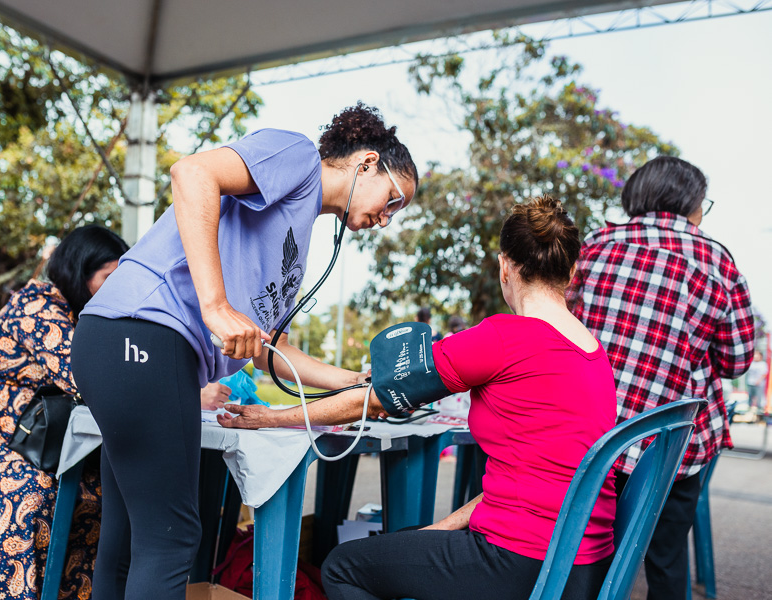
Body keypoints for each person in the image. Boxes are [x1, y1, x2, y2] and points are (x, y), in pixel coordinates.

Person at [69, 102, 418, 599]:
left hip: (123, 346)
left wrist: (354, 382)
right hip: (141, 338)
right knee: (173, 540)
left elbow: (266, 349)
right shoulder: (296, 156)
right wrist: (213, 305)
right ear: (366, 163)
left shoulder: (296, 237)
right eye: (394, 199)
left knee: (128, 541)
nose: (386, 219)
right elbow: (192, 173)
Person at [221, 196, 619, 600]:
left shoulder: (503, 337)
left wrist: (269, 417)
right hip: (584, 565)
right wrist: (444, 526)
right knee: (413, 538)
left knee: (343, 567)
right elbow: (540, 475)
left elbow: (375, 400)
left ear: (504, 266)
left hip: (519, 560)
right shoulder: (593, 353)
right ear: (570, 273)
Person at [567, 156, 755, 600]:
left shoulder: (594, 245)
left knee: (591, 550)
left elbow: (566, 327)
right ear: (691, 203)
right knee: (667, 559)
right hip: (667, 454)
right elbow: (737, 360)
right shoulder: (716, 260)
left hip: (592, 444)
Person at [0, 225, 129, 600]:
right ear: (78, 273)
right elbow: (86, 377)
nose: (118, 289)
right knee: (31, 493)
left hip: (39, 446)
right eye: (109, 278)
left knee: (115, 492)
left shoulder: (86, 317)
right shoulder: (38, 306)